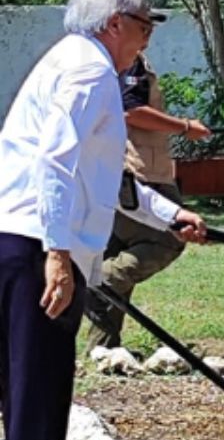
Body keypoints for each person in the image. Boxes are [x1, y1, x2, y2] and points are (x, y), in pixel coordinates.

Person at [0, 0, 206, 440]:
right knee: (36, 393)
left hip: (26, 240)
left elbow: (101, 178)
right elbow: (57, 163)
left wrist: (170, 214)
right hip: (36, 245)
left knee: (36, 391)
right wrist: (58, 255)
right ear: (114, 22)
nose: (146, 39)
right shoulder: (89, 72)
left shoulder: (83, 67)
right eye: (144, 25)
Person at [83, 53, 212, 350]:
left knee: (117, 249)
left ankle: (103, 350)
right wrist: (184, 127)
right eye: (143, 25)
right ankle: (92, 284)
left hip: (122, 171)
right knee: (168, 240)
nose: (148, 32)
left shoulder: (110, 62)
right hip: (141, 171)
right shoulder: (131, 63)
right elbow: (133, 110)